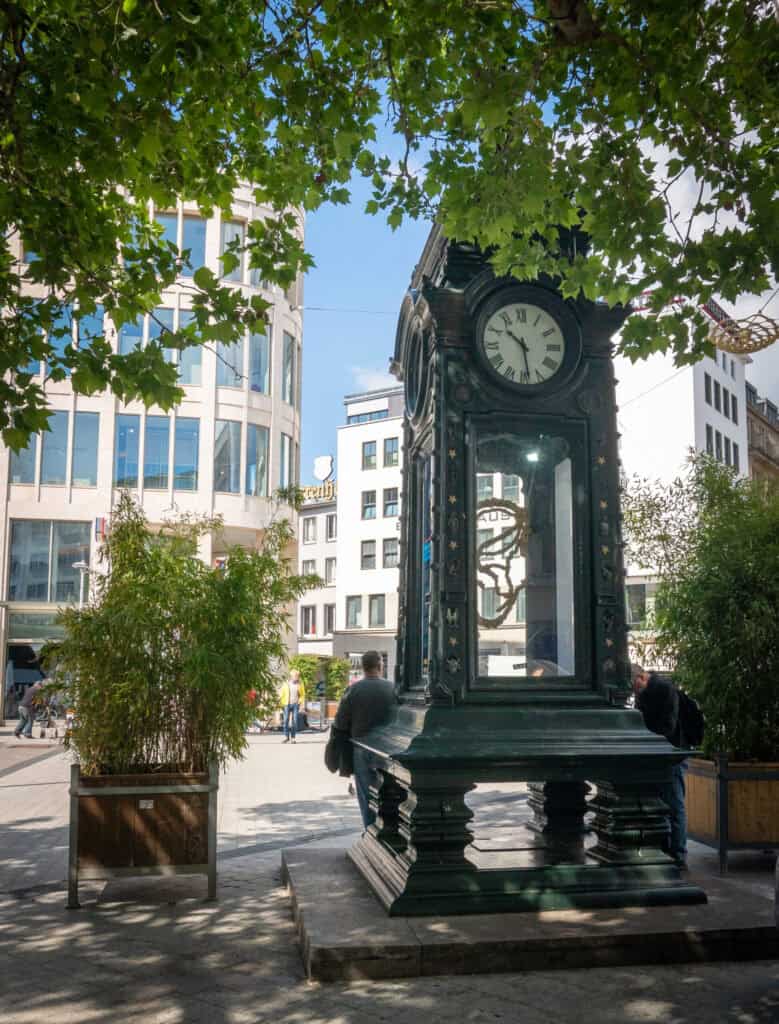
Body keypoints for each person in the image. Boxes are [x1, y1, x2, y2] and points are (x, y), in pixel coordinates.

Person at [328, 650, 395, 829]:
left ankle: (370, 829)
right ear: (380, 666)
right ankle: (387, 830)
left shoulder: (353, 690)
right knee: (390, 794)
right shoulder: (392, 688)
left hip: (362, 748)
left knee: (365, 794)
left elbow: (340, 722)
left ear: (363, 667)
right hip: (388, 749)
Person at [631, 663, 688, 869]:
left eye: (634, 686)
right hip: (663, 754)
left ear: (641, 678)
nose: (634, 692)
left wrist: (645, 735)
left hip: (671, 756)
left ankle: (678, 854)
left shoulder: (664, 689)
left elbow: (668, 726)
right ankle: (670, 851)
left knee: (674, 805)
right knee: (669, 805)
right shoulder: (648, 691)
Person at [279, 669, 305, 744]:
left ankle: (293, 738)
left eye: (297, 676)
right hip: (286, 704)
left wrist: (300, 702)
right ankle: (286, 737)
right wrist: (279, 702)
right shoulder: (286, 683)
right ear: (291, 676)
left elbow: (303, 694)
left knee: (295, 721)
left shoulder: (300, 684)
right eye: (295, 676)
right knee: (286, 720)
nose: (296, 677)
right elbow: (281, 693)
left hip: (295, 704)